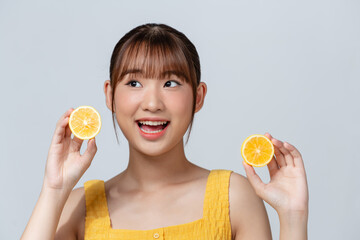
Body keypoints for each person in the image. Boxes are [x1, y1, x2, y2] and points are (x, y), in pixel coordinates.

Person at [21, 23, 309, 240]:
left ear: (198, 97)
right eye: (134, 83)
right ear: (109, 96)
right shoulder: (77, 207)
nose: (152, 103)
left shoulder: (235, 198)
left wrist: (293, 217)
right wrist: (54, 190)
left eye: (171, 83)